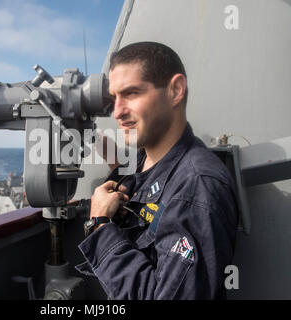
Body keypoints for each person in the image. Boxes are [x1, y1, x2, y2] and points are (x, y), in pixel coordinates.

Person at [75, 41, 239, 299]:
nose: (117, 112)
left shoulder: (197, 189)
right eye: (114, 98)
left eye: (131, 94)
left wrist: (99, 226)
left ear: (175, 90)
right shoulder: (145, 160)